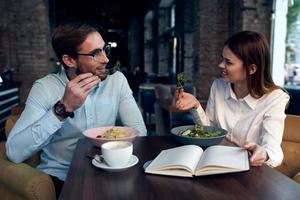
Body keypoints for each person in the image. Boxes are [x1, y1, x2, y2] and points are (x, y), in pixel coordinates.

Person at [6, 22, 146, 197]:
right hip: (61, 177)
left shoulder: (117, 81)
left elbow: (139, 131)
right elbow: (14, 153)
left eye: (104, 49)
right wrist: (62, 108)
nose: (106, 59)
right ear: (69, 60)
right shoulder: (45, 88)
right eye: (95, 53)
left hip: (111, 171)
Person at [175, 31, 289, 168]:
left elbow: (274, 150)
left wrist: (264, 153)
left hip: (250, 171)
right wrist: (195, 106)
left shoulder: (275, 98)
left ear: (252, 69)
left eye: (228, 62)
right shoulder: (218, 86)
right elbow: (209, 132)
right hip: (215, 164)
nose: (221, 65)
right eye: (222, 59)